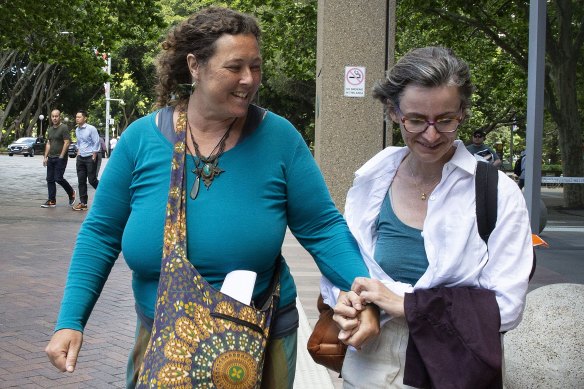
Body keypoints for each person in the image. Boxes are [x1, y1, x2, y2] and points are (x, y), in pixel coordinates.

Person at [45, 7, 378, 388]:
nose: (249, 80)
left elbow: (323, 227)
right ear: (194, 66)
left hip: (258, 338)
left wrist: (361, 292)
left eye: (256, 66)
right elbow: (100, 234)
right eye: (234, 67)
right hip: (161, 340)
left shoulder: (279, 139)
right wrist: (71, 320)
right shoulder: (140, 140)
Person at [325, 47, 533, 388]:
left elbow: (507, 307)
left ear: (463, 113)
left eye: (446, 120)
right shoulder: (374, 176)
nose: (432, 134)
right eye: (417, 120)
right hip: (369, 363)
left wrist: (406, 305)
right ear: (393, 111)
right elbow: (349, 262)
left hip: (455, 366)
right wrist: (349, 302)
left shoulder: (496, 192)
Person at [41, 109, 76, 208]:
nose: (55, 118)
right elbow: (48, 143)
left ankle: (71, 192)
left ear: (59, 117)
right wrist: (45, 157)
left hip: (60, 158)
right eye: (53, 116)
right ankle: (52, 200)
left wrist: (61, 156)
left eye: (56, 116)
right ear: (51, 117)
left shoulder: (64, 127)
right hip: (51, 157)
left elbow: (67, 142)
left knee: (58, 178)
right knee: (50, 179)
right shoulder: (50, 129)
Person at [72, 110, 100, 211]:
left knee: (92, 180)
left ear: (85, 118)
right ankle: (83, 203)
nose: (77, 119)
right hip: (81, 158)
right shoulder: (77, 130)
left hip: (90, 157)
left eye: (79, 117)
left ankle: (105, 192)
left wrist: (94, 156)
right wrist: (78, 154)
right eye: (76, 117)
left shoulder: (91, 129)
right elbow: (79, 143)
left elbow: (96, 142)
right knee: (81, 181)